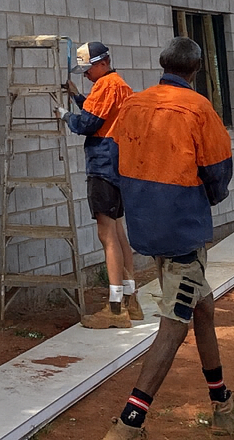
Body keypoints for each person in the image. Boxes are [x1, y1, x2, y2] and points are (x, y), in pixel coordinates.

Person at [102, 37, 234, 439]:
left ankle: (222, 402)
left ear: (162, 64)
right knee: (176, 321)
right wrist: (204, 197)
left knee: (202, 307)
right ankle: (128, 425)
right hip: (182, 228)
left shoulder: (133, 104)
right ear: (197, 69)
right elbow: (218, 171)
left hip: (144, 225)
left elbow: (113, 159)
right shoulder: (198, 108)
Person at [63, 41, 142, 328]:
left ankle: (115, 307)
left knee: (106, 233)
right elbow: (100, 114)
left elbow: (88, 124)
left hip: (103, 163)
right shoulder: (118, 85)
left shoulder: (105, 85)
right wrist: (77, 99)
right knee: (118, 229)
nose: (85, 74)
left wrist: (66, 116)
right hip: (119, 161)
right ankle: (132, 300)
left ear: (103, 63)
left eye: (87, 69)